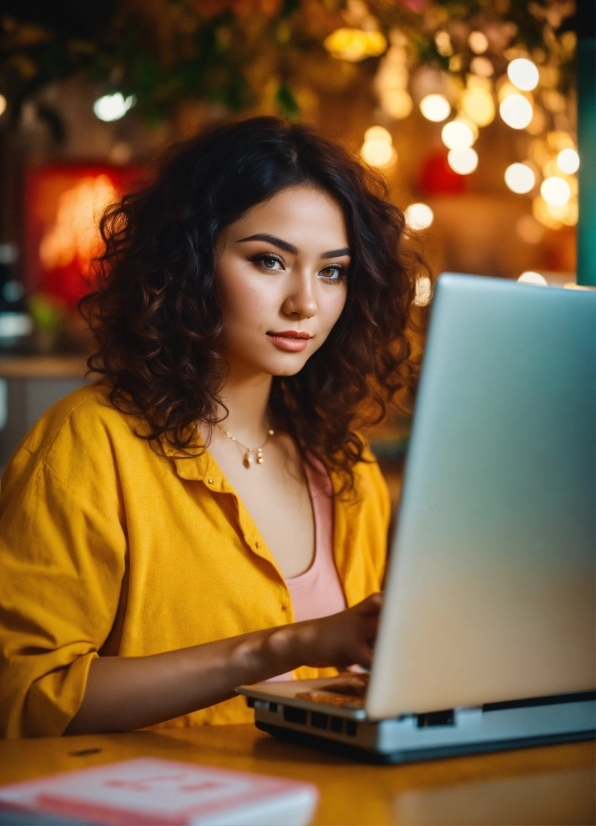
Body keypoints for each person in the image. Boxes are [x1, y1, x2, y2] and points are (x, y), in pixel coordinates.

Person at [0, 116, 428, 737]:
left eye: (332, 271)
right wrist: (273, 649)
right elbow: (23, 697)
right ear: (190, 261)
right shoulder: (90, 444)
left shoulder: (346, 466)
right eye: (268, 261)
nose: (305, 302)